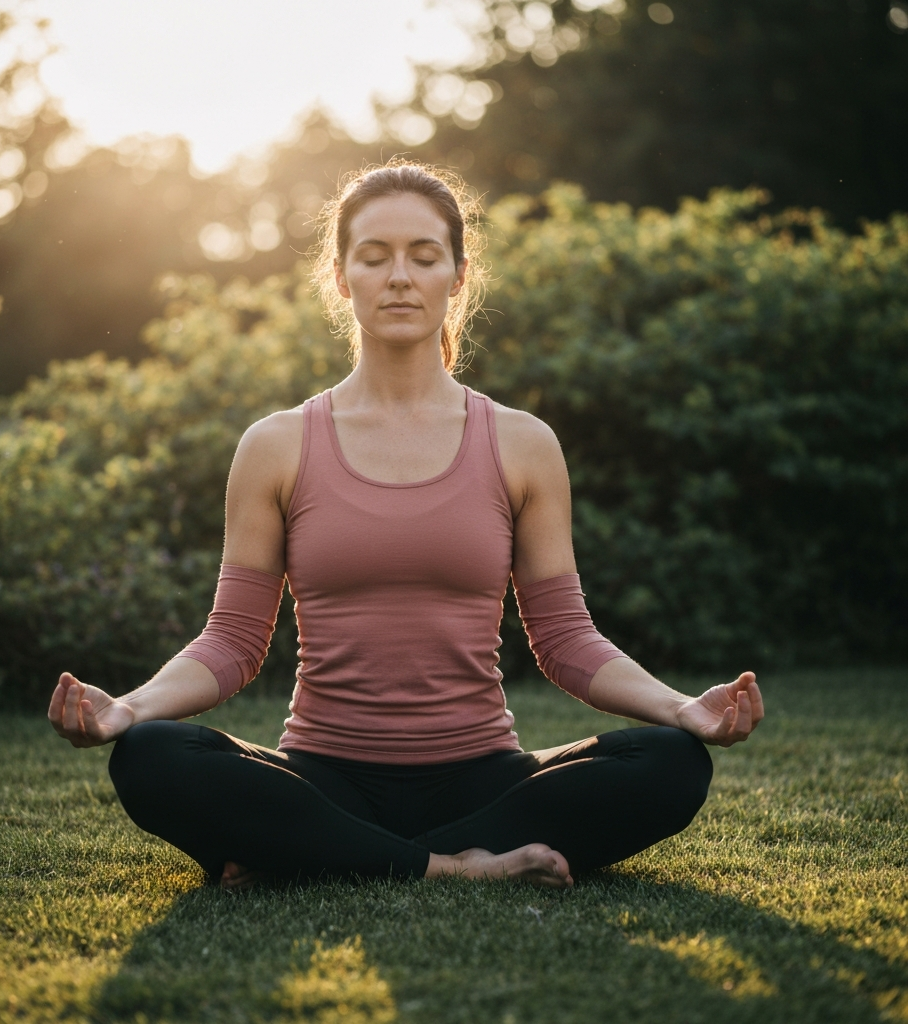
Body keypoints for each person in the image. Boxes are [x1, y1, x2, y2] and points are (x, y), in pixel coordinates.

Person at [47, 162, 764, 890]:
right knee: (150, 754)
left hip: (482, 777)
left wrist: (681, 708)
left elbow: (564, 639)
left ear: (457, 276)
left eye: (424, 256)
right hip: (321, 775)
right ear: (340, 276)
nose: (399, 278)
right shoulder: (277, 445)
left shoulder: (522, 443)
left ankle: (312, 854)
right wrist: (129, 709)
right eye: (374, 256)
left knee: (672, 762)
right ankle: (451, 866)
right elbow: (233, 641)